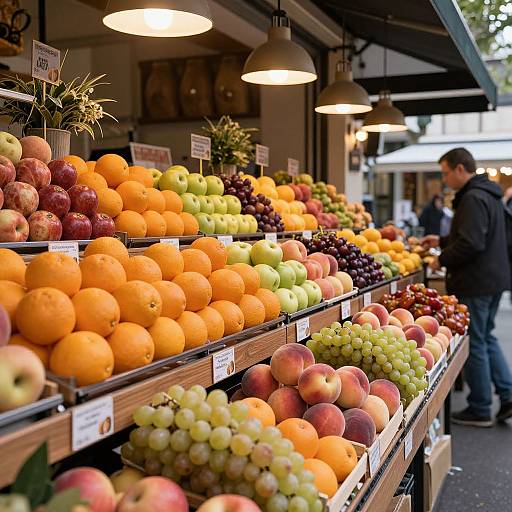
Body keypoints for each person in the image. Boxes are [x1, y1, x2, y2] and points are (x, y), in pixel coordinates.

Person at [422, 147, 512, 427]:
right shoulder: (489, 194)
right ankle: (507, 395)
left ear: (461, 169)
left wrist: (441, 260)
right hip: (494, 278)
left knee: (474, 341)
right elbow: (470, 234)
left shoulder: (472, 198)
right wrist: (441, 240)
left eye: (446, 173)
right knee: (486, 336)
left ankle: (480, 406)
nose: (445, 179)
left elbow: (472, 242)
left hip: (476, 281)